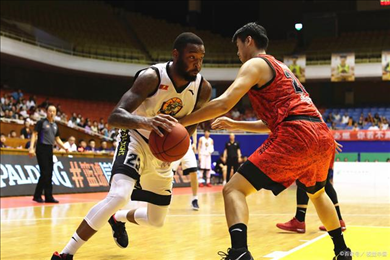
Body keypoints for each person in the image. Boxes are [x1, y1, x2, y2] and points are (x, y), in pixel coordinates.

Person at [180, 22, 351, 260]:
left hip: (297, 133)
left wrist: (183, 121)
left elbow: (224, 103)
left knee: (233, 189)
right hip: (321, 134)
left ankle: (239, 252)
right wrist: (236, 124)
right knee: (318, 193)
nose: (238, 53)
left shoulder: (255, 64)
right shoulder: (281, 67)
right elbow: (274, 123)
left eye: (238, 46)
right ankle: (342, 250)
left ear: (248, 40)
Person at [51, 32, 212, 260]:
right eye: (192, 57)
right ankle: (65, 253)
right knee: (119, 195)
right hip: (135, 138)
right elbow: (114, 116)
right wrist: (146, 121)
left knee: (156, 221)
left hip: (163, 152)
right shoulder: (152, 77)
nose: (197, 63)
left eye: (201, 58)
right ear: (176, 55)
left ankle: (118, 218)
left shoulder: (203, 88)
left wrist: (177, 151)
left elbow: (192, 125)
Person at [276, 142, 346, 233]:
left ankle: (299, 220)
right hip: (324, 141)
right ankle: (338, 220)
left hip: (312, 142)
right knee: (324, 182)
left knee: (304, 177)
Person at [29, 105, 68, 203]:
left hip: (50, 149)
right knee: (45, 172)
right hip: (41, 148)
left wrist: (64, 147)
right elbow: (34, 134)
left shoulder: (55, 125)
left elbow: (57, 139)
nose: (52, 113)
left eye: (54, 111)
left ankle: (48, 196)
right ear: (46, 112)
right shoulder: (41, 122)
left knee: (49, 173)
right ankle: (37, 195)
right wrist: (31, 148)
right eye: (50, 111)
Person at [171, 130, 200, 210]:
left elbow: (194, 128)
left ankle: (195, 199)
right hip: (173, 146)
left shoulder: (189, 117)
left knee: (193, 172)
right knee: (169, 174)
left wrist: (194, 142)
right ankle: (167, 196)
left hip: (187, 146)